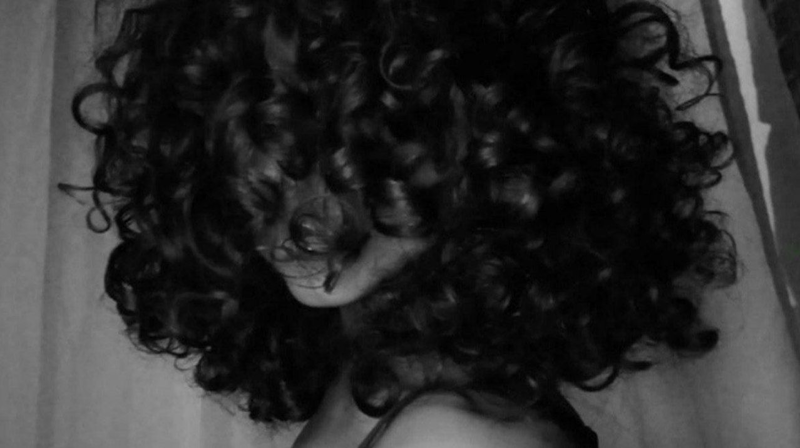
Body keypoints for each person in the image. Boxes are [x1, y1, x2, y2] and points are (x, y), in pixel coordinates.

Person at [71, 0, 738, 446]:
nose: (290, 191)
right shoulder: (379, 385)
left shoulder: (453, 437)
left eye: (361, 135)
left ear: (496, 134)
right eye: (264, 129)